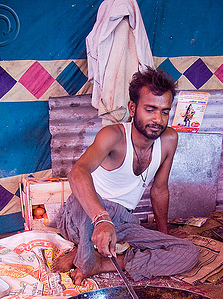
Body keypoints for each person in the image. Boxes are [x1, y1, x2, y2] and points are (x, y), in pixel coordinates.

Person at [52, 67, 199, 284]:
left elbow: (159, 191)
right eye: (150, 110)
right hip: (86, 213)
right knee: (84, 208)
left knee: (188, 252)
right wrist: (101, 219)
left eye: (164, 111)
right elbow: (77, 173)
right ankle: (86, 254)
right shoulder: (113, 136)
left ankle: (102, 263)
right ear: (133, 108)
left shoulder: (169, 140)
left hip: (122, 220)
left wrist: (163, 238)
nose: (158, 119)